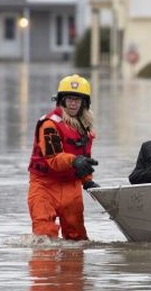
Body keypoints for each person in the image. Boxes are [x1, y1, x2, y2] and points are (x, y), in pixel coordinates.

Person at [27, 74, 99, 241]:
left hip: (70, 186)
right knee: (44, 237)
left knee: (77, 239)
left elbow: (85, 160)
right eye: (70, 99)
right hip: (43, 185)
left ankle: (73, 266)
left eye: (78, 99)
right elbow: (53, 159)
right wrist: (74, 160)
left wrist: (87, 181)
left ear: (84, 103)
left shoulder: (85, 128)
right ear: (62, 100)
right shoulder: (49, 124)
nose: (73, 103)